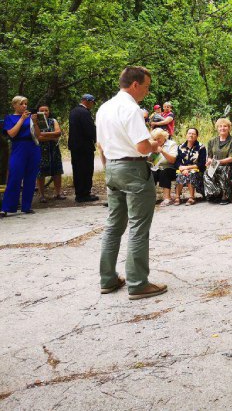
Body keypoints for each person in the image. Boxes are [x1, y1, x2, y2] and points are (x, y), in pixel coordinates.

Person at [96, 66, 167, 300]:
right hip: (133, 169)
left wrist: (109, 168)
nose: (147, 91)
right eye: (146, 87)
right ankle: (137, 283)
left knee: (113, 225)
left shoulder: (104, 108)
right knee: (138, 226)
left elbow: (100, 145)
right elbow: (143, 147)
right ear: (135, 85)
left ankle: (107, 279)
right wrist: (155, 145)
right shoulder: (131, 109)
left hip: (112, 167)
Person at [1, 96, 42, 216]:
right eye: (21, 104)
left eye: (26, 104)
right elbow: (12, 134)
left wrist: (35, 122)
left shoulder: (30, 118)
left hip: (33, 147)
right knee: (14, 176)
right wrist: (22, 119)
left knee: (31, 177)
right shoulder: (10, 118)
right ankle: (6, 207)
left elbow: (38, 135)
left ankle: (26, 206)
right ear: (14, 105)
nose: (24, 106)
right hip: (18, 147)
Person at [68, 93, 98, 202]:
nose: (92, 105)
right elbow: (89, 130)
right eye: (92, 103)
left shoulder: (74, 111)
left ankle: (79, 192)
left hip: (75, 146)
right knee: (86, 170)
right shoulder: (84, 112)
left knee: (77, 170)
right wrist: (97, 138)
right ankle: (84, 193)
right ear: (87, 101)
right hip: (84, 147)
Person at [204, 118, 232, 205]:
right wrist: (210, 161)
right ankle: (215, 194)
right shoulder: (212, 141)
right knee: (207, 172)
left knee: (223, 170)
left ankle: (225, 196)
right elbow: (209, 156)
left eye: (225, 126)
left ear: (229, 128)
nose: (222, 128)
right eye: (220, 126)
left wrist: (217, 162)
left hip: (229, 166)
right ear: (217, 128)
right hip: (214, 164)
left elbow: (231, 158)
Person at [35, 104, 65, 202]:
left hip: (54, 150)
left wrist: (43, 134)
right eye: (42, 110)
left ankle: (58, 193)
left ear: (49, 111)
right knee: (41, 173)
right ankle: (41, 195)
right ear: (38, 112)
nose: (44, 112)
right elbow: (38, 137)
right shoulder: (35, 122)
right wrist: (52, 137)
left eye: (46, 110)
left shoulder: (53, 121)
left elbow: (58, 133)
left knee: (57, 171)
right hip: (41, 150)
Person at [174, 127, 206, 205]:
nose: (191, 135)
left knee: (190, 174)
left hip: (197, 170)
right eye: (189, 133)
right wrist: (181, 168)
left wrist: (187, 168)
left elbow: (202, 164)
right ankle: (177, 197)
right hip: (183, 169)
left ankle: (191, 197)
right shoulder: (180, 147)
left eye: (193, 134)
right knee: (180, 174)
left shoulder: (201, 147)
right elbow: (177, 161)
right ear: (186, 135)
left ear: (197, 136)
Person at [149, 128, 178, 207]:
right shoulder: (152, 145)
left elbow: (172, 160)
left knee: (164, 172)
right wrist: (152, 153)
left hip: (170, 168)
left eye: (159, 138)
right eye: (155, 139)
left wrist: (162, 151)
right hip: (155, 168)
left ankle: (167, 198)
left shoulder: (172, 144)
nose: (157, 141)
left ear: (164, 136)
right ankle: (150, 198)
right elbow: (149, 162)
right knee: (150, 174)